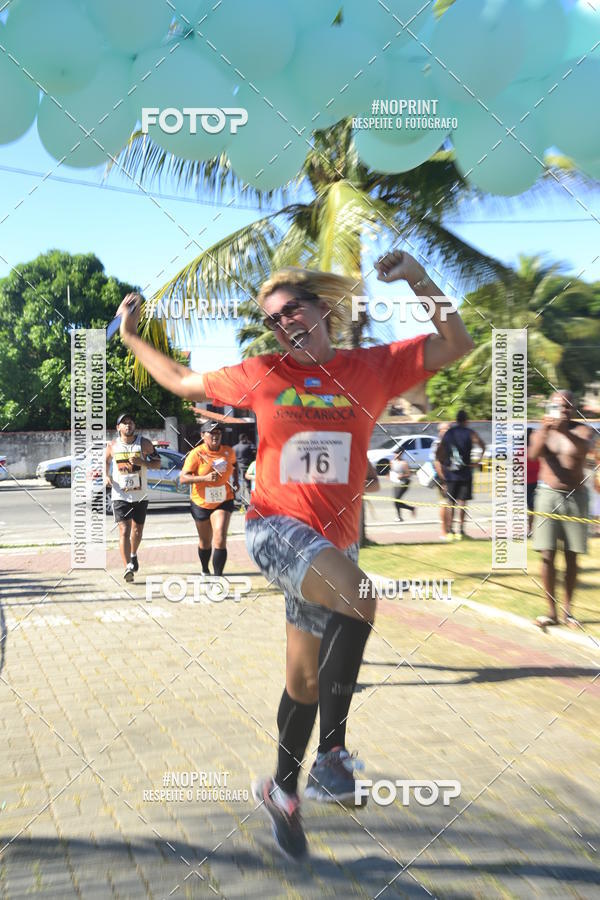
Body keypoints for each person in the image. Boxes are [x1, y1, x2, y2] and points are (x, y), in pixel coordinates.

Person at [115, 249, 473, 859]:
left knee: (303, 679)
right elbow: (179, 380)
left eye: (292, 311)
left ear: (322, 310)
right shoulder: (262, 372)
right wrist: (127, 336)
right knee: (361, 595)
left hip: (334, 543)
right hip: (276, 529)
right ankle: (333, 756)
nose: (284, 324)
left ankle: (281, 791)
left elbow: (456, 341)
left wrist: (417, 278)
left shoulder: (375, 367)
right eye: (274, 319)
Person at [528, 391, 594, 628]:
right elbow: (532, 455)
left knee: (572, 556)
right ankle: (550, 611)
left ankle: (568, 612)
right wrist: (547, 431)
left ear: (574, 408)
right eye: (558, 407)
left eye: (567, 407)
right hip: (547, 494)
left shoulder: (584, 431)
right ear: (549, 408)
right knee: (547, 554)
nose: (563, 411)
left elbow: (585, 449)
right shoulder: (542, 431)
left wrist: (564, 431)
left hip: (576, 496)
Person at [105, 413, 161, 582]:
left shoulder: (144, 443)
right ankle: (128, 566)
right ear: (118, 428)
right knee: (124, 530)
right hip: (119, 494)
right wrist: (105, 476)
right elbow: (106, 461)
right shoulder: (112, 446)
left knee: (137, 531)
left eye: (131, 422)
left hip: (140, 495)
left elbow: (157, 463)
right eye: (124, 423)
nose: (128, 426)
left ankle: (133, 554)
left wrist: (141, 462)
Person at [179, 422, 239, 576]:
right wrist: (204, 478)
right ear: (202, 435)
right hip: (201, 502)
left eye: (218, 432)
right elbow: (183, 478)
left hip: (223, 500)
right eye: (211, 432)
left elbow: (234, 465)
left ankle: (218, 577)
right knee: (205, 542)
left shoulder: (228, 451)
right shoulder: (196, 454)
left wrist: (236, 481)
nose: (215, 435)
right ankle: (205, 569)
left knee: (219, 536)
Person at [439, 410, 485, 540]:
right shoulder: (470, 433)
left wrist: (444, 467)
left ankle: (450, 530)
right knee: (463, 502)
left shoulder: (448, 433)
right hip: (465, 472)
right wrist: (477, 462)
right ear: (466, 420)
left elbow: (440, 451)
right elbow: (482, 445)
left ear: (456, 420)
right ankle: (461, 531)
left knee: (450, 502)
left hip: (451, 473)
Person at [431, 422, 450, 539]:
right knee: (444, 504)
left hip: (452, 478)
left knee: (451, 504)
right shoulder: (438, 444)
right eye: (444, 429)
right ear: (440, 431)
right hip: (443, 478)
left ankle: (449, 530)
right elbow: (437, 463)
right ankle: (443, 532)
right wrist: (443, 480)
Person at [389, 447, 415, 521]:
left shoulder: (404, 463)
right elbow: (391, 471)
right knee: (395, 500)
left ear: (401, 454)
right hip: (396, 482)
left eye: (398, 453)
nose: (396, 455)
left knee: (397, 499)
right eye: (395, 453)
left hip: (404, 483)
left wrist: (402, 476)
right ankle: (400, 516)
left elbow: (409, 474)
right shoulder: (392, 462)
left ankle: (408, 510)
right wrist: (390, 475)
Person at [233, 432, 256, 506]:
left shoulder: (234, 447)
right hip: (247, 466)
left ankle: (237, 497)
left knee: (237, 482)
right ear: (245, 438)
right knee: (248, 484)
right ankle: (250, 498)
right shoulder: (248, 446)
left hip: (237, 467)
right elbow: (254, 452)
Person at [526, 427, 540, 537]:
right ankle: (531, 529)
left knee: (532, 508)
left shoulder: (536, 450)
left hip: (534, 482)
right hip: (531, 483)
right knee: (532, 508)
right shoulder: (531, 450)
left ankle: (531, 529)